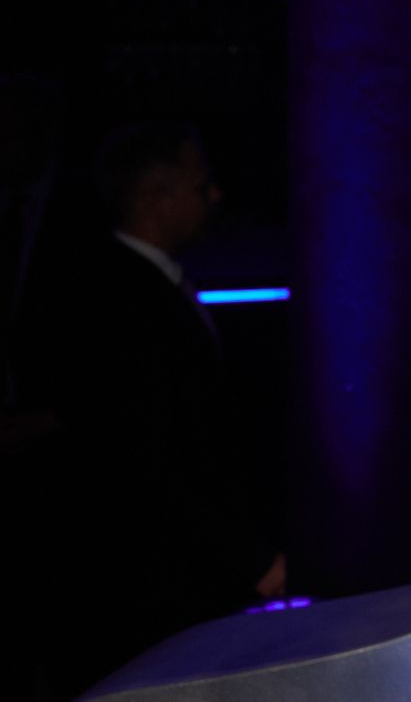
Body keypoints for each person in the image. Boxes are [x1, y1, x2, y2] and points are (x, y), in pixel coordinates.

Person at [10, 123, 283, 700]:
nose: (215, 197)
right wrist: (246, 557)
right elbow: (151, 453)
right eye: (200, 184)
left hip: (168, 572)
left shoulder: (137, 283)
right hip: (149, 583)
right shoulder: (115, 299)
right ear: (158, 197)